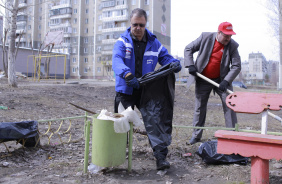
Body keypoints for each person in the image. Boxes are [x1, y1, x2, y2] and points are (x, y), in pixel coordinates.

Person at [112, 8, 181, 170]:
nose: (138, 28)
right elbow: (116, 61)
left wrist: (174, 63)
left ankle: (160, 158)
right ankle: (116, 157)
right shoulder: (122, 42)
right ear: (130, 24)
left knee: (155, 123)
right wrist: (127, 75)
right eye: (135, 24)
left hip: (146, 91)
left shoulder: (154, 43)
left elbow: (165, 58)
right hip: (126, 90)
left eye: (141, 25)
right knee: (120, 125)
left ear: (145, 24)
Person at [184, 22, 241, 145]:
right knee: (200, 107)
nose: (228, 38)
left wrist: (226, 80)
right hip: (203, 78)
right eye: (226, 35)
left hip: (222, 80)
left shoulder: (232, 45)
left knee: (230, 105)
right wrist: (190, 65)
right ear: (219, 32)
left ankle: (232, 135)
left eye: (230, 36)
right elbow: (188, 48)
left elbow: (236, 66)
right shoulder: (205, 37)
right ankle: (196, 136)